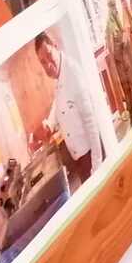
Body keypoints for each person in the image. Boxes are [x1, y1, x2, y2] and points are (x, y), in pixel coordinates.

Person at [33, 34, 99, 186]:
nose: (48, 64)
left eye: (49, 55)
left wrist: (97, 165)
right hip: (80, 158)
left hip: (89, 156)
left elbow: (90, 120)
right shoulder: (60, 76)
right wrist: (49, 124)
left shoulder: (72, 72)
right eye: (43, 62)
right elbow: (59, 102)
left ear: (55, 46)